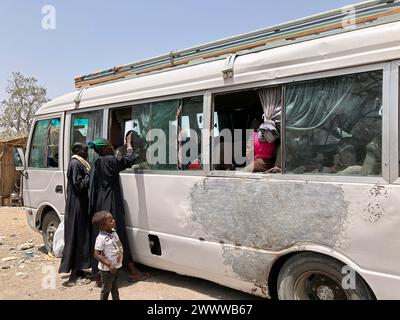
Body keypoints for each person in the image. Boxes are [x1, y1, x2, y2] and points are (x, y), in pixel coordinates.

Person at [88, 133, 151, 284]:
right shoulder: (109, 160)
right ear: (104, 150)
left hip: (100, 204)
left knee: (101, 238)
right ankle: (133, 271)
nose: (113, 148)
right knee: (118, 236)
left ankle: (98, 274)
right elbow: (128, 159)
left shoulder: (97, 163)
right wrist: (129, 144)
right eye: (110, 146)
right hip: (111, 204)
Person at [59, 143, 92, 283]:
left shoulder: (80, 163)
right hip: (77, 205)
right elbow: (79, 185)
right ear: (77, 151)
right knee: (77, 235)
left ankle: (79, 269)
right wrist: (89, 175)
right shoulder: (75, 164)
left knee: (81, 236)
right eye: (85, 150)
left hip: (80, 204)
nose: (87, 152)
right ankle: (74, 272)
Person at [92, 211, 122, 300]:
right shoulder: (101, 238)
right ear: (103, 226)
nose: (113, 221)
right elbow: (97, 254)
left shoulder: (113, 232)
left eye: (112, 219)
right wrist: (109, 264)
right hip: (107, 270)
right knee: (106, 289)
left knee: (115, 288)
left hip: (116, 267)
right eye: (110, 220)